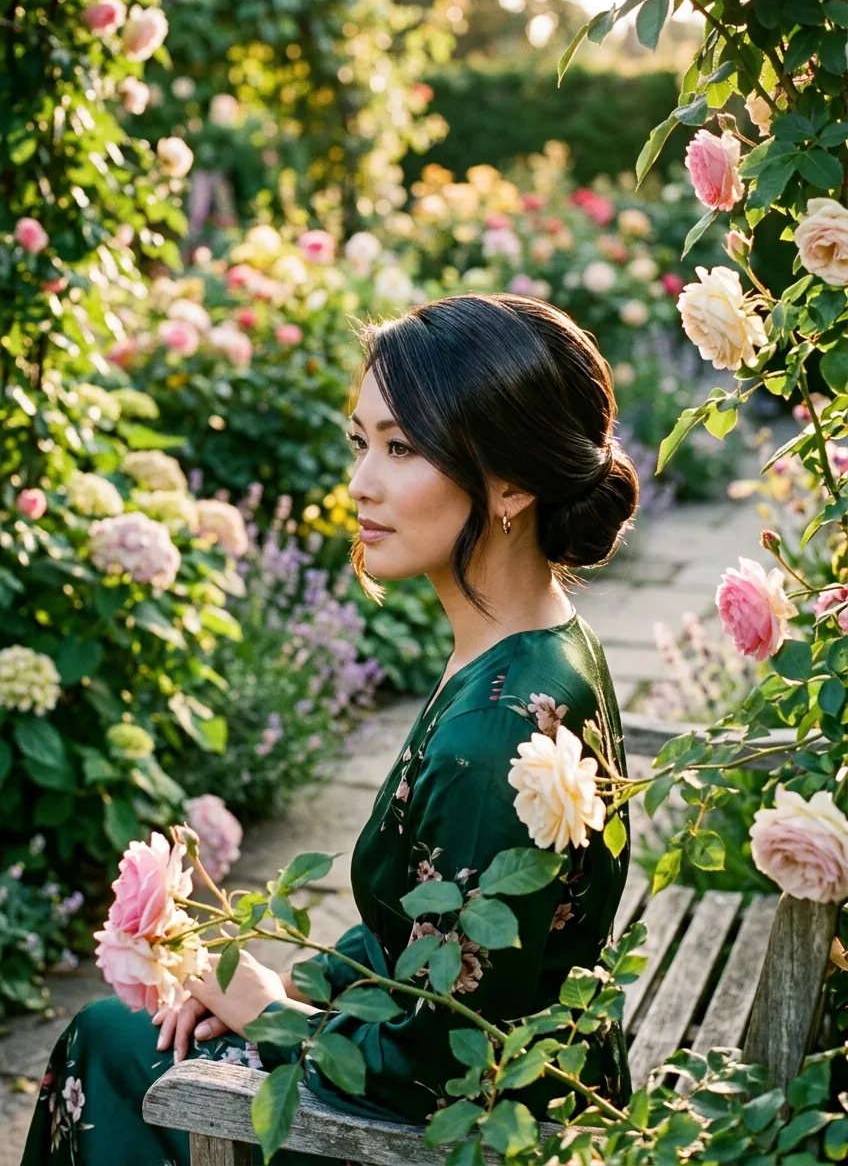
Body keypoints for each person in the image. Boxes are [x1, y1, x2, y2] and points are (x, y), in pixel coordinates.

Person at [22, 293, 639, 1165]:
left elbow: (431, 1070)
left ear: (512, 480)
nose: (361, 483)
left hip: (478, 1132)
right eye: (362, 443)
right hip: (535, 1077)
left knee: (114, 1045)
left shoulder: (495, 737)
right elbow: (426, 944)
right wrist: (282, 986)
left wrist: (262, 1006)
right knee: (140, 1028)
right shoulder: (544, 649)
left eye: (403, 447)